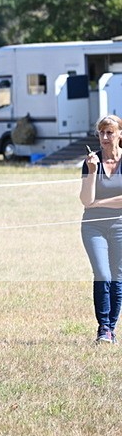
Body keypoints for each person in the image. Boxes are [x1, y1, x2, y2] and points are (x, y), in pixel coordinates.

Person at [80, 115, 122, 344]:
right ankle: (103, 328)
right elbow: (87, 200)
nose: (104, 138)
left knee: (117, 276)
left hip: (120, 225)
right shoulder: (91, 161)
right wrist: (92, 172)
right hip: (93, 226)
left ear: (120, 135)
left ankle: (111, 328)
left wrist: (101, 203)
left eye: (110, 133)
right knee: (102, 275)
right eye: (101, 133)